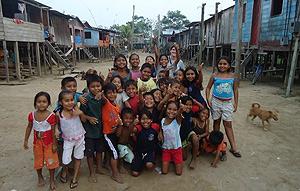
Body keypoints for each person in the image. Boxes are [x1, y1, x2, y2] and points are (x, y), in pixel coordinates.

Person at [206, 56, 241, 157]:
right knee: (216, 122)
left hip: (227, 103)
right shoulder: (214, 75)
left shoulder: (232, 76)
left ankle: (233, 147)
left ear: (229, 65)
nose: (222, 66)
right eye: (220, 64)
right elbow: (208, 87)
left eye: (225, 64)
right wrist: (208, 99)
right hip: (215, 102)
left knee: (228, 124)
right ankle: (216, 144)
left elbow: (235, 90)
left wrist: (236, 103)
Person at [23, 92, 58, 190]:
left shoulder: (51, 116)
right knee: (38, 160)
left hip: (49, 143)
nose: (41, 104)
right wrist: (25, 140)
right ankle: (40, 177)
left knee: (51, 161)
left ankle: (52, 179)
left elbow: (53, 132)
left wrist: (54, 144)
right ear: (35, 103)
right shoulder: (32, 115)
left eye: (44, 102)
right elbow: (29, 127)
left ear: (48, 103)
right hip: (37, 143)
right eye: (39, 102)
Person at [80, 74, 109, 183]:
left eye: (98, 86)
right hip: (89, 132)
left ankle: (99, 168)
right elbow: (80, 114)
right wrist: (88, 118)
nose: (96, 88)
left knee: (100, 150)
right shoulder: (86, 99)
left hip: (100, 130)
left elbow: (106, 103)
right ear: (88, 88)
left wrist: (102, 97)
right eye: (93, 86)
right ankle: (92, 172)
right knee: (90, 153)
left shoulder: (102, 96)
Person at [55, 90, 86, 189]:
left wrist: (80, 112)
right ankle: (64, 170)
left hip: (80, 137)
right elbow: (57, 124)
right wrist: (56, 130)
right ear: (61, 102)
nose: (70, 102)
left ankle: (75, 178)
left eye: (72, 100)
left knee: (78, 157)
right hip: (68, 140)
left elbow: (84, 120)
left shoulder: (75, 109)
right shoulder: (59, 114)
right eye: (66, 101)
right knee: (65, 159)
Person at [101, 83, 125, 184]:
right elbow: (102, 99)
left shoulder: (118, 107)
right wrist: (102, 94)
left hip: (113, 133)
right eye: (109, 93)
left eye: (114, 92)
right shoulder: (106, 103)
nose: (112, 95)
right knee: (115, 154)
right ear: (105, 94)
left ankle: (107, 164)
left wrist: (118, 124)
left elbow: (116, 118)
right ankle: (115, 174)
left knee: (111, 151)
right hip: (107, 134)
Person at [130, 109, 160, 177]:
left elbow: (160, 128)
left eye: (148, 119)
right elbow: (132, 130)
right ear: (140, 121)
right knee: (135, 174)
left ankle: (147, 160)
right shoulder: (139, 128)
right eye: (143, 119)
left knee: (149, 165)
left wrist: (160, 134)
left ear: (151, 120)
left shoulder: (154, 126)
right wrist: (133, 124)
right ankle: (140, 161)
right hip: (139, 151)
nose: (146, 121)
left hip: (149, 150)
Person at [159, 101, 185, 175]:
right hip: (166, 148)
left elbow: (179, 114)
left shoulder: (177, 121)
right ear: (166, 109)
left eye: (174, 110)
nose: (171, 112)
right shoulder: (163, 120)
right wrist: (160, 133)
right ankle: (170, 159)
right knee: (164, 172)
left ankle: (174, 159)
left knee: (179, 173)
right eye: (169, 109)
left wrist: (181, 109)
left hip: (177, 148)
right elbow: (162, 128)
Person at [179, 96, 199, 169]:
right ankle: (185, 146)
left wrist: (195, 101)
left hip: (188, 132)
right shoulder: (179, 113)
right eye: (186, 104)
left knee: (195, 139)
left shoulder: (191, 112)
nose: (189, 107)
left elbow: (202, 108)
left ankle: (193, 160)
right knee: (184, 158)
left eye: (190, 105)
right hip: (180, 136)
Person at [118, 108, 135, 174]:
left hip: (126, 145)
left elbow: (130, 131)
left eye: (130, 118)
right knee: (123, 149)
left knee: (131, 157)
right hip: (119, 145)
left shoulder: (130, 126)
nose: (128, 120)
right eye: (126, 118)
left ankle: (123, 160)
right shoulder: (121, 127)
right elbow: (118, 135)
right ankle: (120, 165)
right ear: (122, 118)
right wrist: (119, 126)